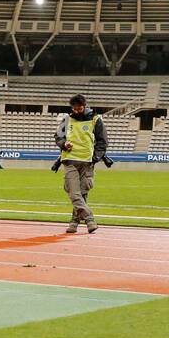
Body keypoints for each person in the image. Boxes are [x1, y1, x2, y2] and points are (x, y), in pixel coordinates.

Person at [54, 94, 106, 234]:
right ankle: (89, 219)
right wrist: (63, 144)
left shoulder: (96, 119)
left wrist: (95, 158)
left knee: (82, 193)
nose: (77, 111)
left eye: (79, 108)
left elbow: (102, 142)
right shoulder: (66, 119)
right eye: (74, 108)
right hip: (69, 160)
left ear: (85, 105)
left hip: (87, 162)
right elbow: (58, 137)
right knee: (73, 192)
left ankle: (74, 222)